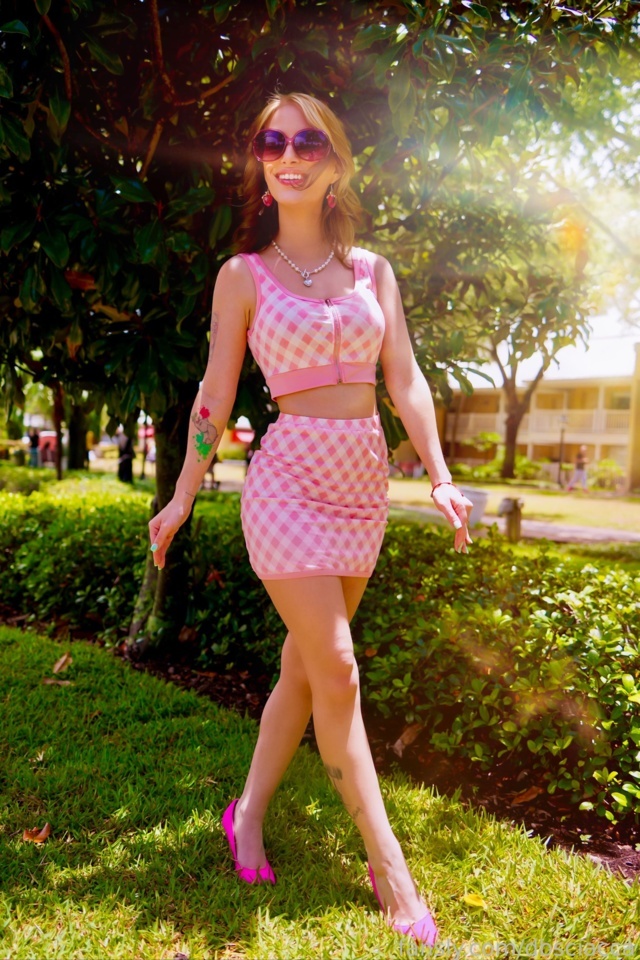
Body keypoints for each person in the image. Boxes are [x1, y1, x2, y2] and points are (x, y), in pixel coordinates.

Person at [148, 92, 472, 946]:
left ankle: (247, 812)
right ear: (260, 161)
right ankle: (389, 868)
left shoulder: (373, 273)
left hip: (362, 484)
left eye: (307, 140)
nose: (289, 153)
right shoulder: (242, 277)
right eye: (272, 140)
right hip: (287, 483)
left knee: (305, 670)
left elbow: (405, 378)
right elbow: (215, 395)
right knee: (338, 668)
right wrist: (183, 493)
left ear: (337, 160)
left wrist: (439, 476)